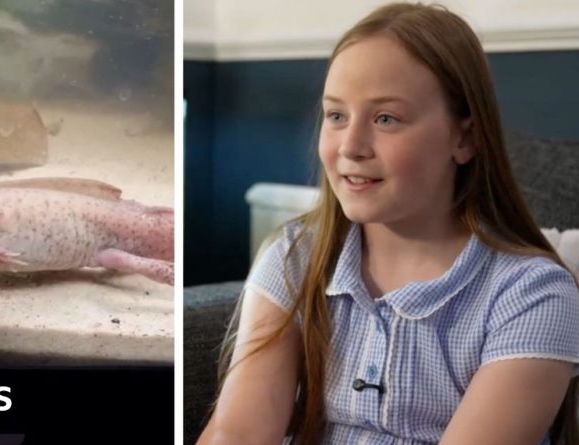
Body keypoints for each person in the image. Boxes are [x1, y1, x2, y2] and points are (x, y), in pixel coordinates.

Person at [196, 3, 579, 445]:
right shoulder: (293, 253)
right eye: (336, 116)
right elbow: (238, 433)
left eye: (385, 119)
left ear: (465, 138)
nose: (351, 146)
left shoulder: (535, 295)